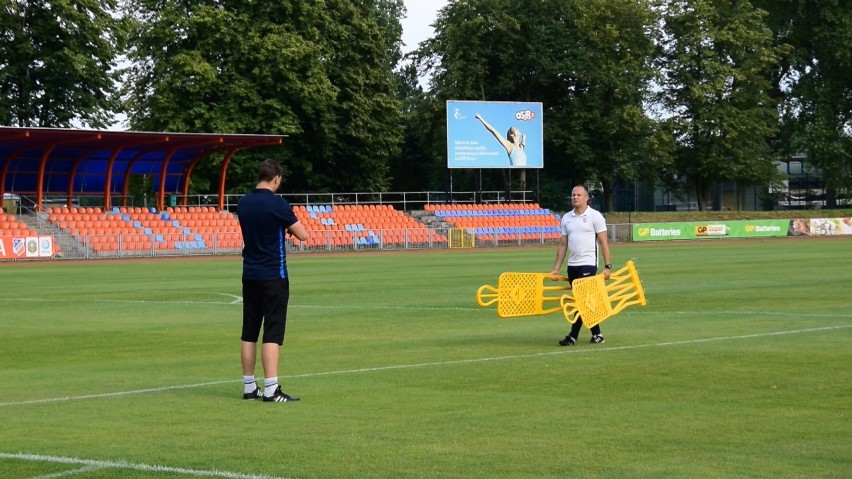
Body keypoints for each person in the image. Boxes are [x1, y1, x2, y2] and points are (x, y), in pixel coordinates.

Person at [238, 159, 309, 403]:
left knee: (249, 332)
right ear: (276, 178)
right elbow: (302, 234)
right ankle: (271, 388)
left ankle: (249, 386)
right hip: (273, 275)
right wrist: (286, 227)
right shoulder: (277, 203)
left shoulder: (244, 202)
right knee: (272, 332)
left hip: (250, 274)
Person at [550, 185, 612, 346]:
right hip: (573, 265)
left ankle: (572, 336)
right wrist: (556, 268)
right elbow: (563, 244)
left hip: (589, 264)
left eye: (578, 195)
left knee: (581, 300)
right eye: (573, 195)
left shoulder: (595, 216)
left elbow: (604, 242)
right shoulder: (566, 218)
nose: (575, 197)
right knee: (582, 301)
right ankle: (597, 334)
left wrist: (607, 266)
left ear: (586, 198)